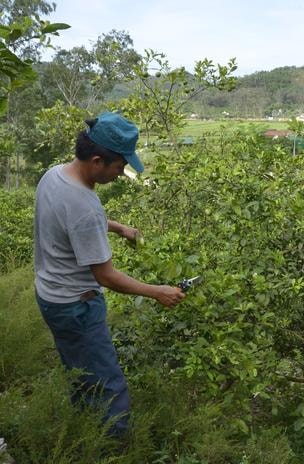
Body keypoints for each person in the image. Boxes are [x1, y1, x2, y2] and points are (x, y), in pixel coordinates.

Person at [34, 112, 186, 437]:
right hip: (77, 306)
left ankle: (85, 426)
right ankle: (112, 450)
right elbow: (106, 276)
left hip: (51, 296)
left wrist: (116, 227)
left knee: (80, 372)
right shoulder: (85, 206)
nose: (120, 174)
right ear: (98, 160)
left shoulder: (54, 176)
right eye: (119, 167)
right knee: (108, 386)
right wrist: (157, 291)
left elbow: (69, 222)